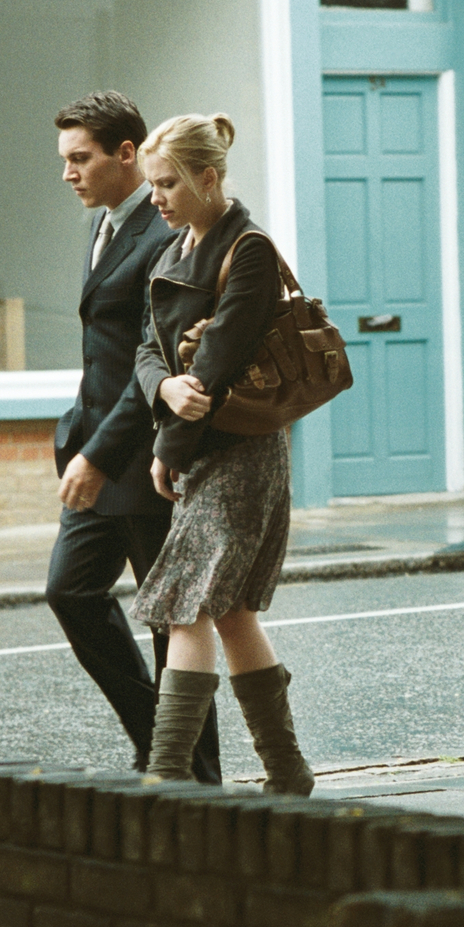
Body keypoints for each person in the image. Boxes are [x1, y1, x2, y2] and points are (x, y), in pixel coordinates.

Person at [129, 113, 314, 795]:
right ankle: (288, 773)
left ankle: (169, 778)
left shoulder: (250, 249)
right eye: (153, 185)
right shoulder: (173, 250)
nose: (157, 198)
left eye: (169, 183)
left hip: (240, 450)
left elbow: (219, 363)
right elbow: (147, 350)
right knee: (229, 609)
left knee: (189, 605)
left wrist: (170, 436)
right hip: (198, 446)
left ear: (209, 178)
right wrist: (165, 389)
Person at [45, 92, 222, 782]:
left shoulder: (166, 233)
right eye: (65, 160)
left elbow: (155, 361)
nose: (68, 173)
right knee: (71, 592)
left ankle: (196, 773)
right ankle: (160, 741)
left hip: (146, 459)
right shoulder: (105, 227)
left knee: (171, 625)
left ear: (127, 153)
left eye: (80, 157)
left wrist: (97, 452)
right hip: (96, 452)